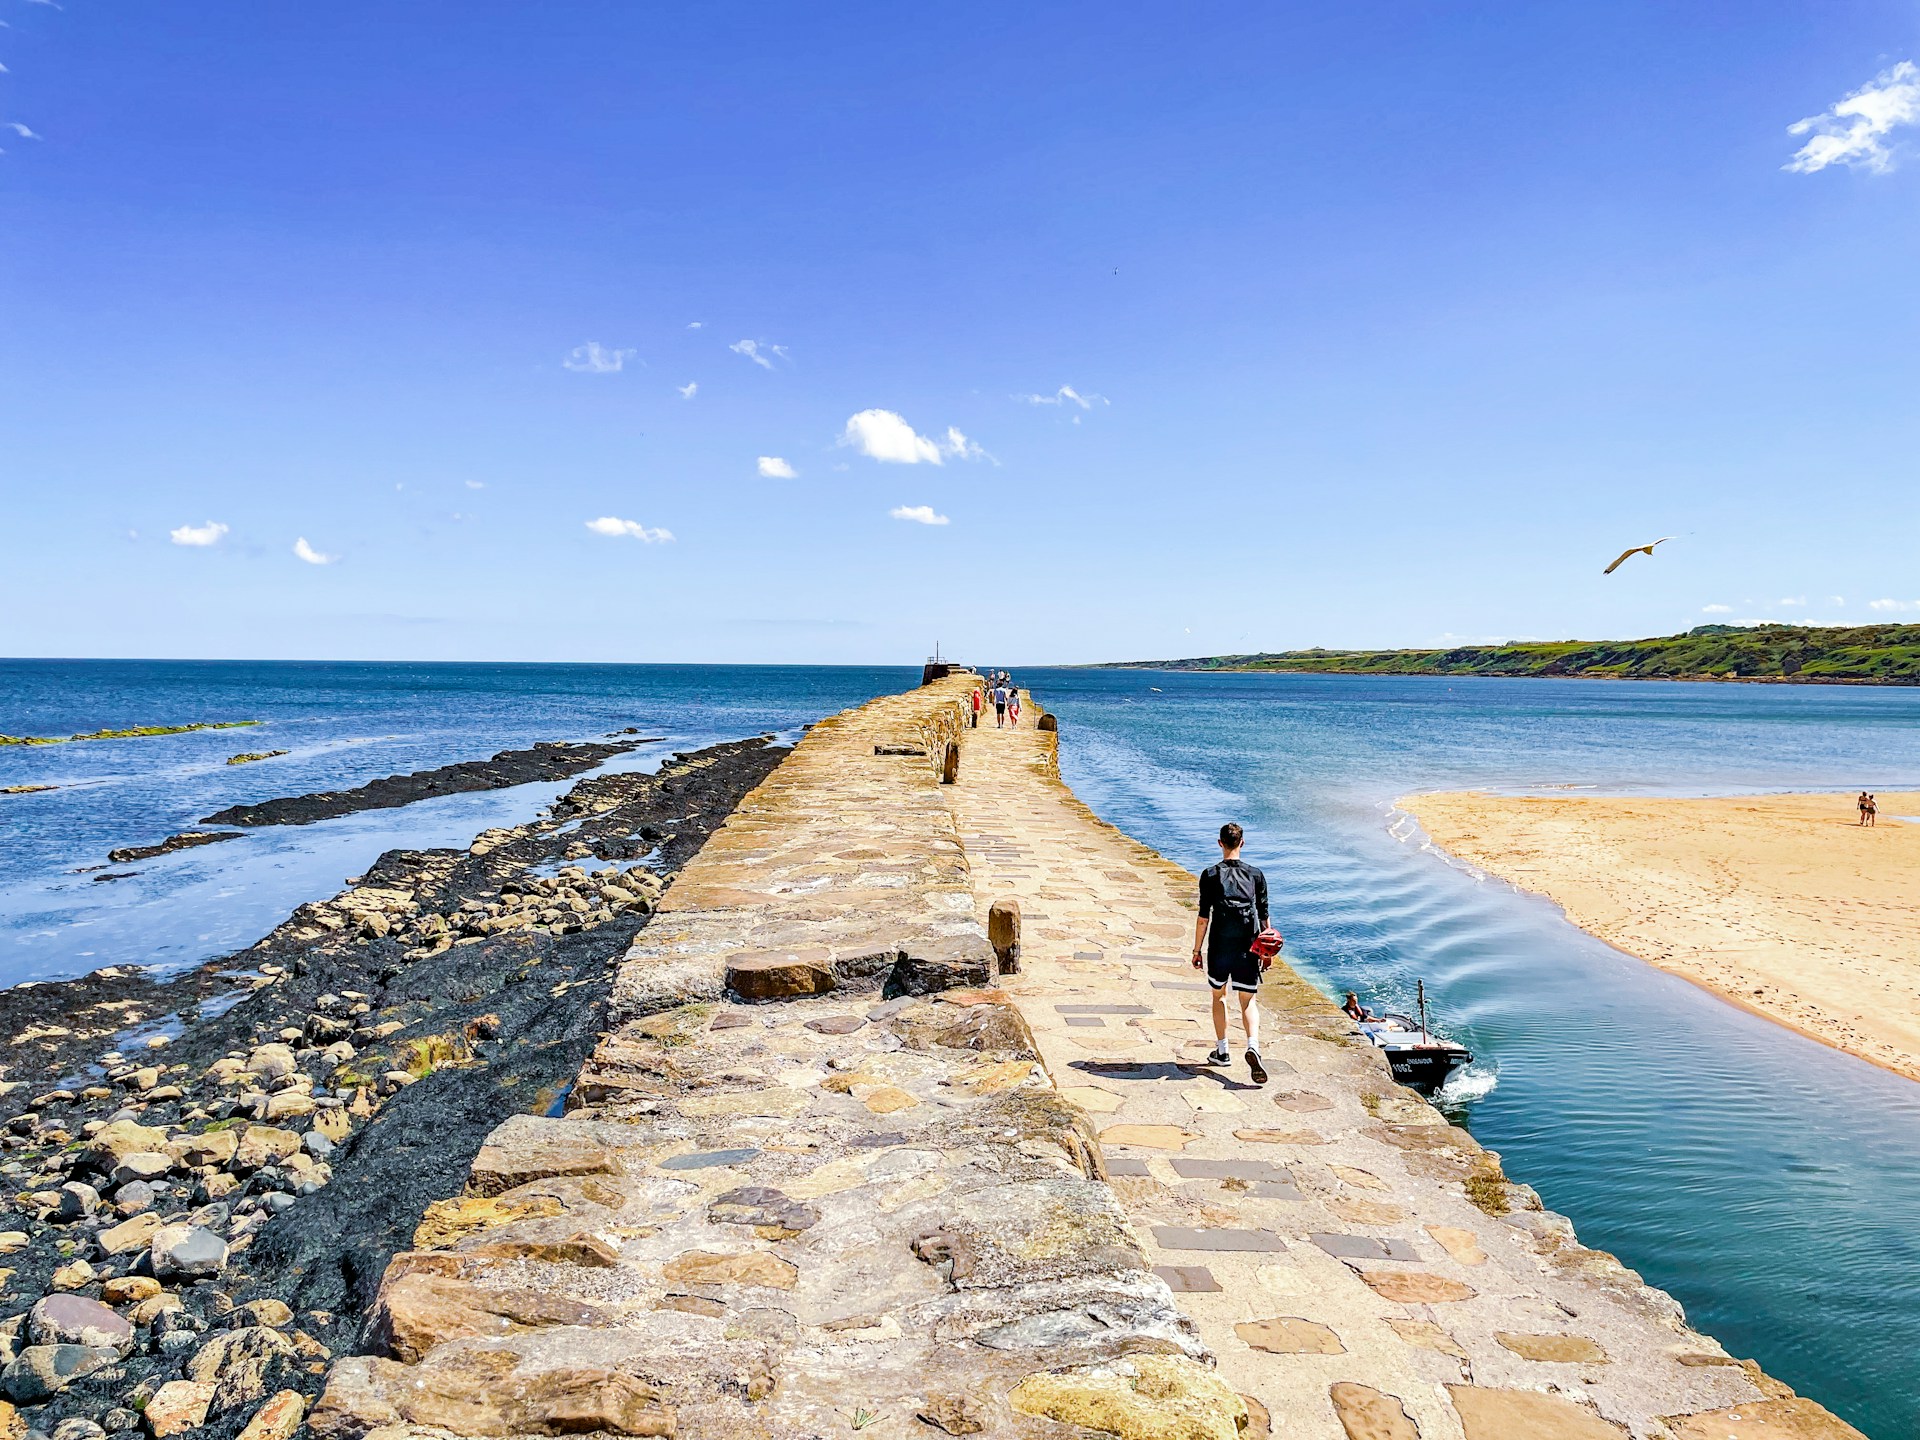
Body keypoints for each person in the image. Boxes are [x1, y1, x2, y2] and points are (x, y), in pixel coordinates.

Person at [1192, 821, 1271, 1084]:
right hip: (1248, 946)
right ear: (1242, 843)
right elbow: (1264, 915)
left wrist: (1196, 950)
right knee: (1248, 1000)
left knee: (1219, 996)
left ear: (1220, 843)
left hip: (1220, 945)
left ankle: (1223, 1050)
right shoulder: (1256, 875)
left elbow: (1204, 917)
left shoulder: (1210, 874)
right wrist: (1267, 951)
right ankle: (1253, 1046)